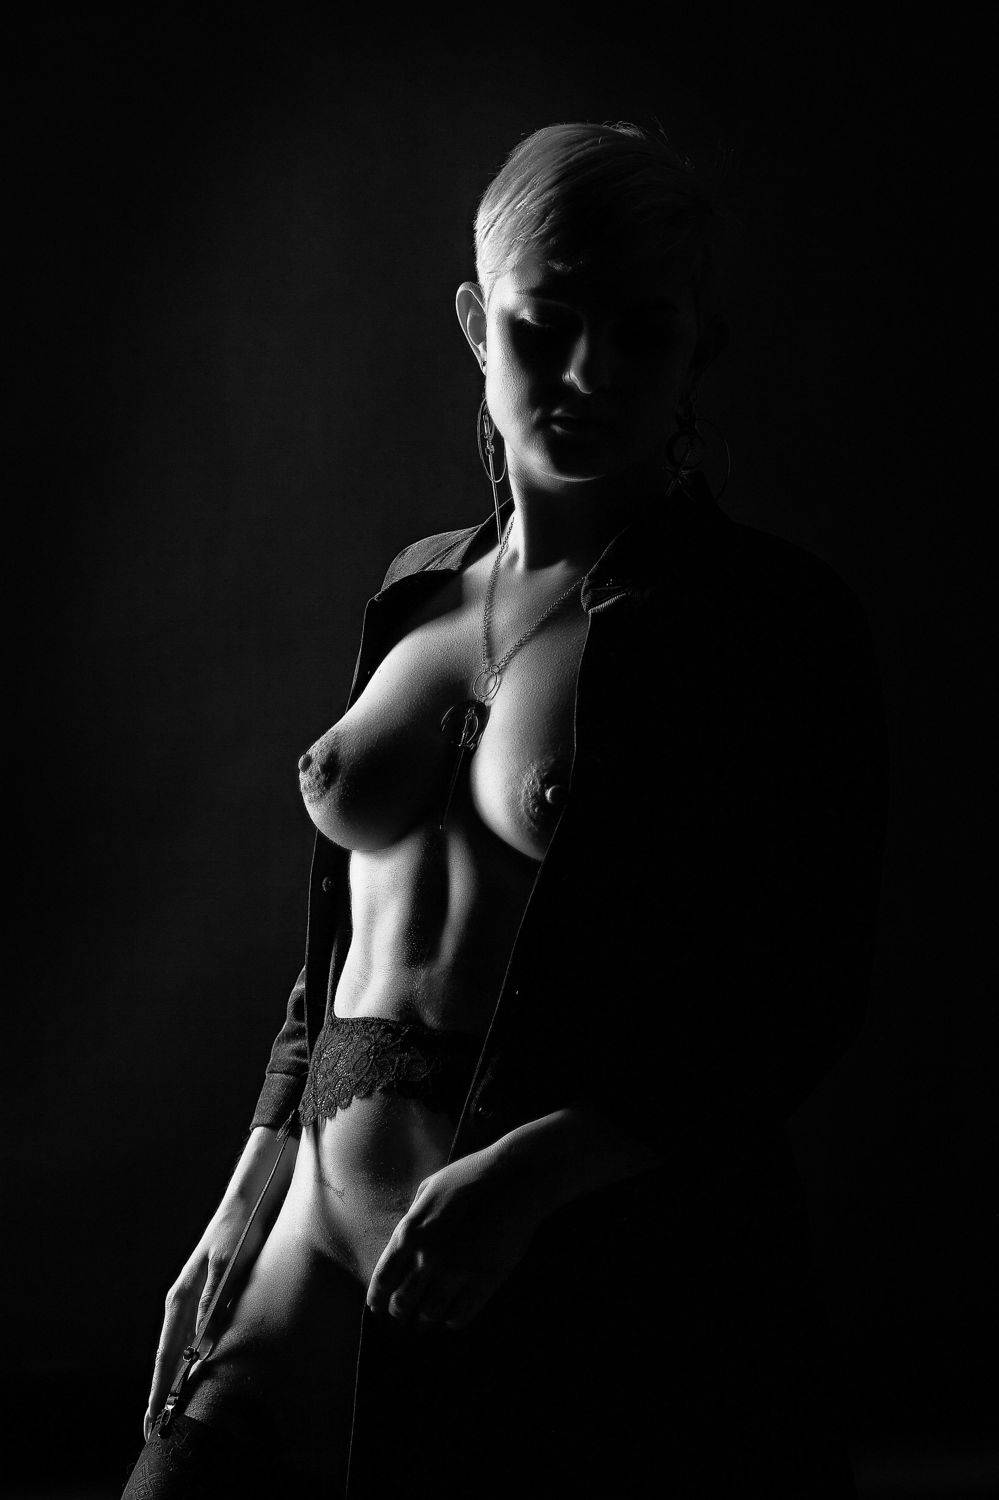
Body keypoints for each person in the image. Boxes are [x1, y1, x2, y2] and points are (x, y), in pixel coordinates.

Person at [122, 120, 889, 1498]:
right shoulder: (414, 590)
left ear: (699, 347)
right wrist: (245, 1194)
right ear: (479, 324)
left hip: (559, 1272)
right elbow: (340, 949)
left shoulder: (763, 624)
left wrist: (539, 1172)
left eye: (642, 331)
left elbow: (804, 989)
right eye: (548, 324)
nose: (591, 373)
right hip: (308, 1242)